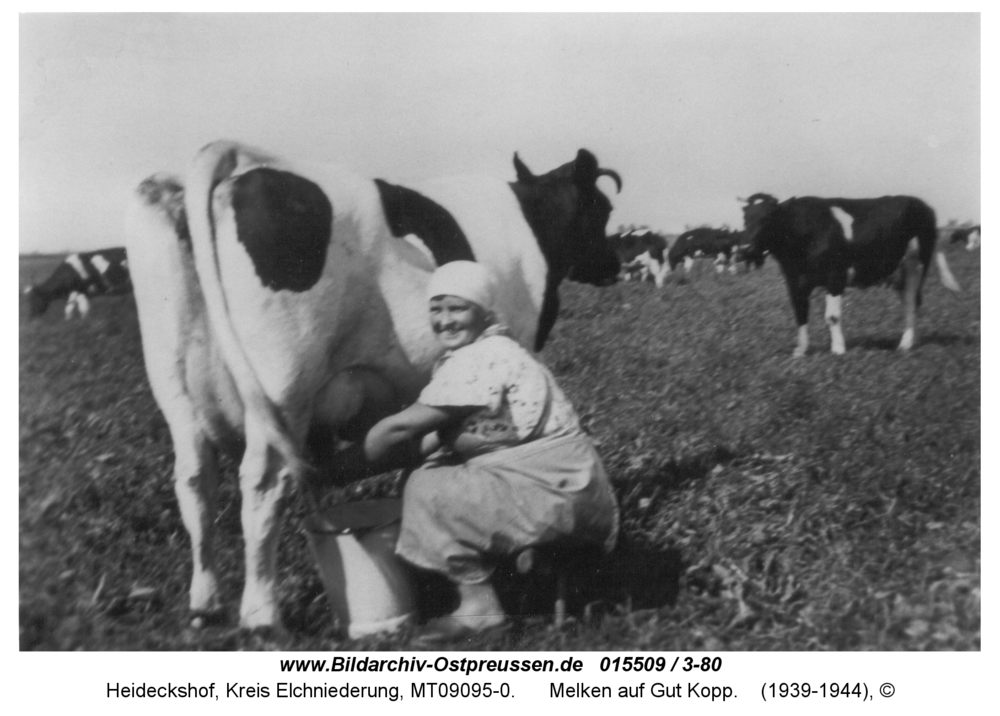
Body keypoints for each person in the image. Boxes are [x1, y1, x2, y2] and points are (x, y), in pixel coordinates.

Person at [364, 261, 619, 643]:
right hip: (576, 490)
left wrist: (347, 463)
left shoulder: (481, 358)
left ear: (484, 312)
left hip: (557, 492)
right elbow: (437, 440)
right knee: (434, 466)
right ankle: (518, 573)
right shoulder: (500, 351)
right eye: (436, 309)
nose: (445, 321)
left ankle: (479, 608)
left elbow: (398, 429)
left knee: (425, 487)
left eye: (458, 309)